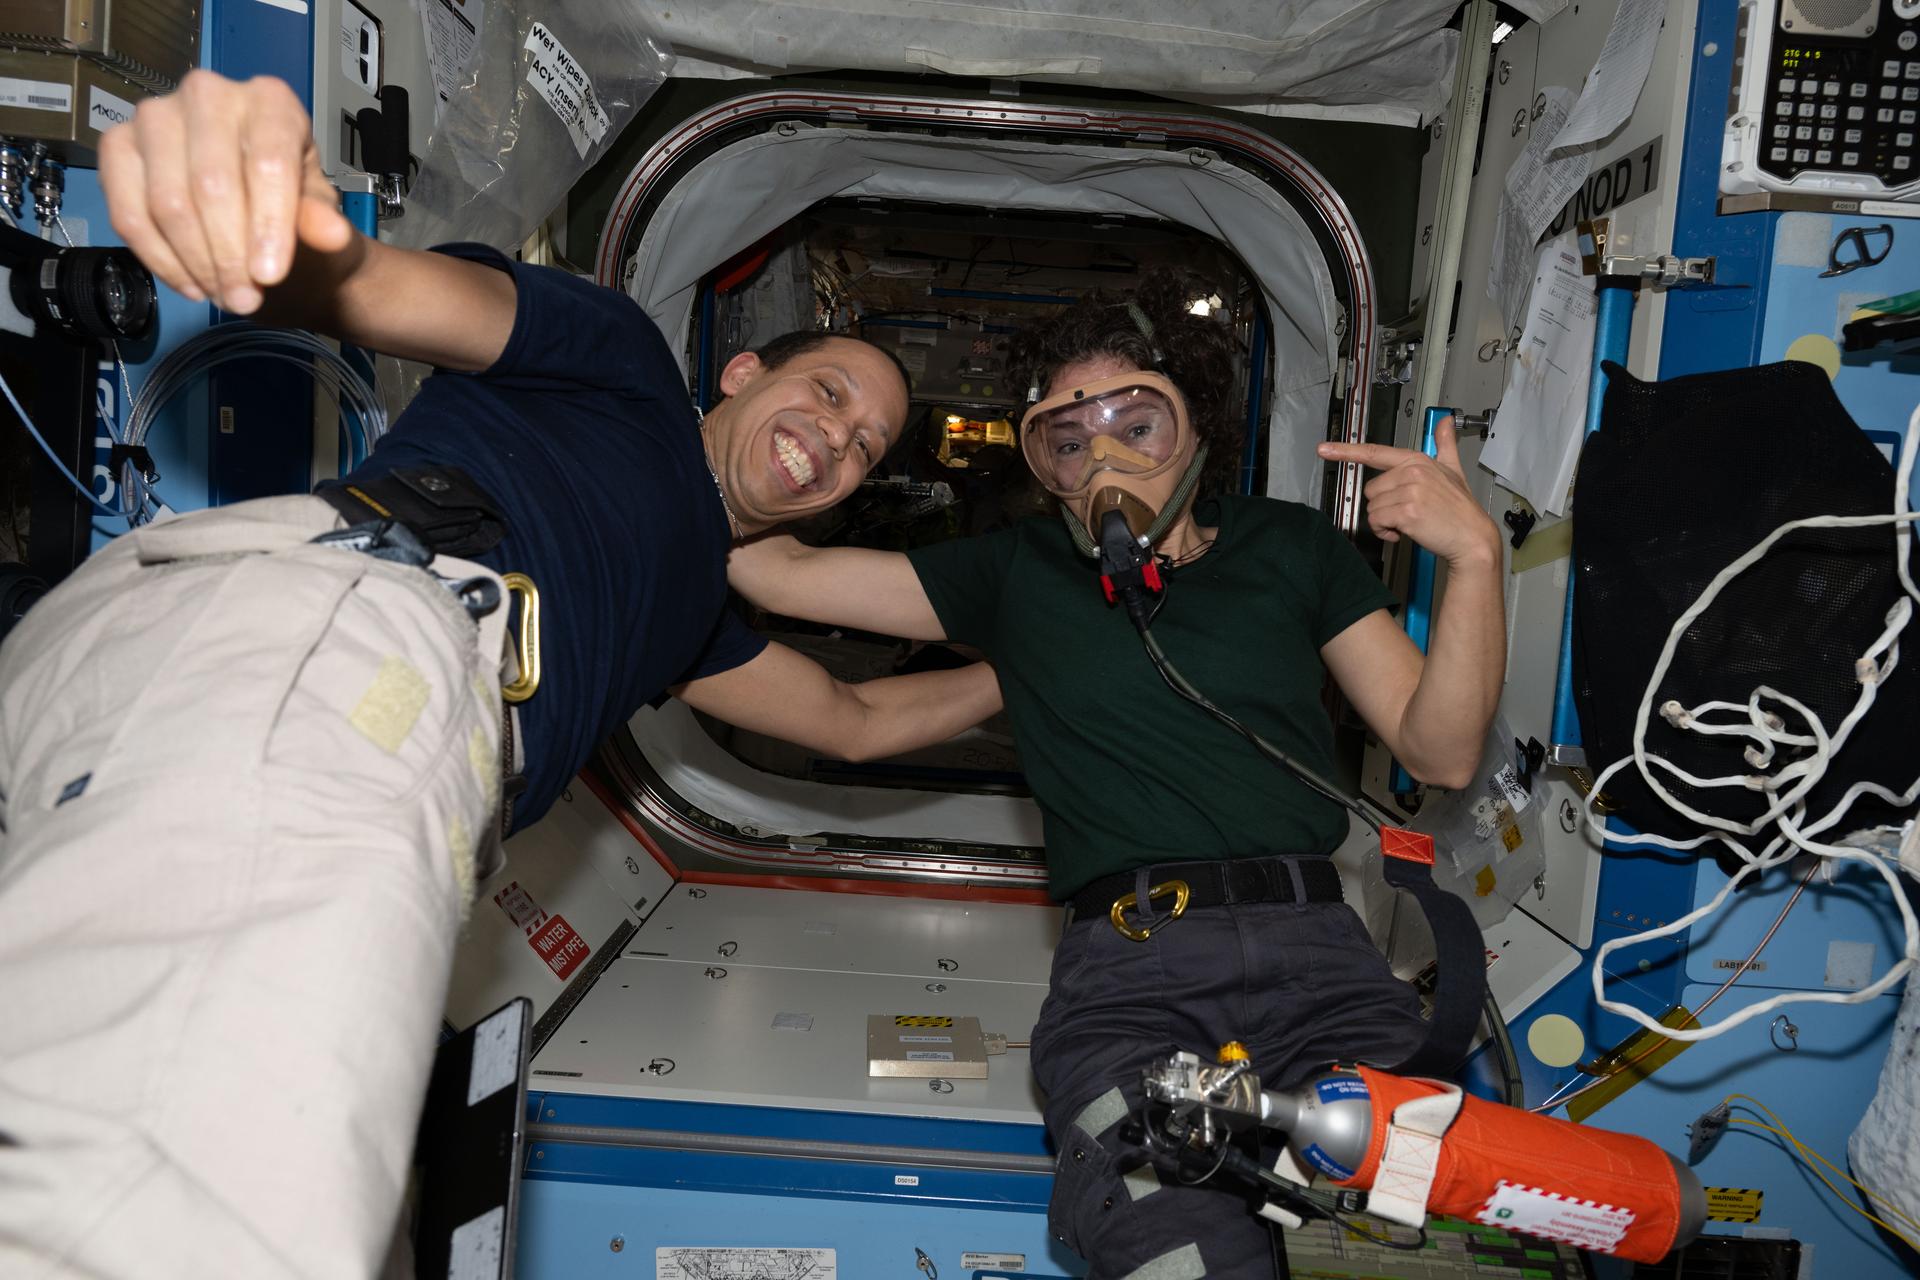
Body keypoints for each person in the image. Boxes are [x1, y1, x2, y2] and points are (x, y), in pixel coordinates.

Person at [0, 71, 999, 1277]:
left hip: (242, 678)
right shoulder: (623, 364)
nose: (834, 438)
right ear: (741, 375)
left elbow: (851, 720)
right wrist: (273, 220)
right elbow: (379, 290)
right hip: (359, 657)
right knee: (209, 1200)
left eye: (863, 447)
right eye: (828, 393)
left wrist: (1047, 664)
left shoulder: (690, 612)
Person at [726, 272, 1506, 1278]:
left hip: (1325, 964)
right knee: (1174, 1244)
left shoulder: (1290, 548)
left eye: (1136, 420)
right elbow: (766, 568)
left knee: (1417, 1231)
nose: (1104, 455)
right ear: (1041, 462)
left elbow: (1437, 749)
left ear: (1194, 430)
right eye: (1067, 435)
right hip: (1132, 980)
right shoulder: (1014, 574)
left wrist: (1476, 557)